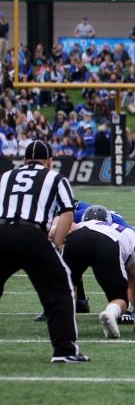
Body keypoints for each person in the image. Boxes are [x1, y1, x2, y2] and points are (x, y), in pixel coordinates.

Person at [0, 140, 86, 363]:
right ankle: (64, 350)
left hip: (2, 230)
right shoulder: (55, 178)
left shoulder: (6, 176)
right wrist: (57, 243)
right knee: (60, 290)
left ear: (24, 160)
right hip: (31, 235)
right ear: (49, 161)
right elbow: (67, 211)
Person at [62, 205, 135, 340]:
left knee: (67, 286)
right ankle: (110, 312)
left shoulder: (78, 224)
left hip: (75, 237)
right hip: (107, 242)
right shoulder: (131, 235)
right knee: (120, 297)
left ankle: (66, 323)